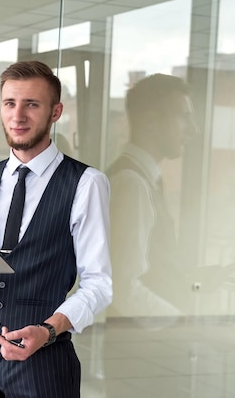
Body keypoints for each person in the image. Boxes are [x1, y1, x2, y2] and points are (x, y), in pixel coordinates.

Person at [0, 60, 112, 398]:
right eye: (10, 103)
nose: (18, 115)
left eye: (31, 104)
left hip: (44, 360)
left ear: (55, 112)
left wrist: (48, 331)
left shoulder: (86, 183)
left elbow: (99, 284)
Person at [107, 73, 196, 320]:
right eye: (183, 118)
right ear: (149, 122)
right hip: (142, 350)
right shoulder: (131, 183)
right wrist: (183, 325)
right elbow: (122, 286)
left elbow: (148, 267)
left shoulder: (142, 178)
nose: (192, 130)